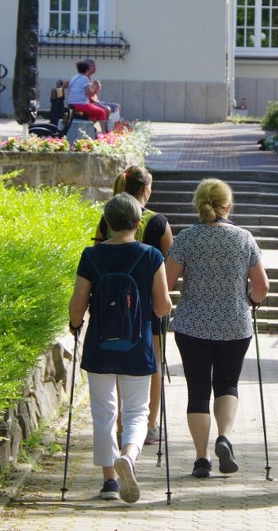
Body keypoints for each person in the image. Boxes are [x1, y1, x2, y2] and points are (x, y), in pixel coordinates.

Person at [68, 193, 172, 503]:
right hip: (137, 346)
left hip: (99, 346)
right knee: (137, 412)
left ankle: (110, 483)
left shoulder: (91, 255)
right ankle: (128, 455)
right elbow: (162, 305)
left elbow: (77, 306)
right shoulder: (151, 255)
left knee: (104, 413)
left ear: (107, 223)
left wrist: (75, 325)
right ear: (138, 223)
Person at [164, 178, 270, 478]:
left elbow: (166, 283)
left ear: (198, 203)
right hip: (234, 325)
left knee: (197, 390)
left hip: (192, 325)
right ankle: (224, 437)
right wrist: (248, 299)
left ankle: (201, 459)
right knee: (227, 385)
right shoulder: (244, 238)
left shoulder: (186, 239)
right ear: (228, 205)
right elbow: (262, 286)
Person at [94, 166, 173, 446]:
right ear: (146, 190)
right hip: (150, 307)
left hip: (112, 307)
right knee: (152, 365)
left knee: (115, 364)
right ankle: (149, 426)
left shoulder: (106, 221)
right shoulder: (158, 222)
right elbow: (170, 265)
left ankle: (119, 425)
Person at [66, 60, 109, 131]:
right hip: (80, 104)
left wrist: (93, 87)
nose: (95, 68)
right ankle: (104, 133)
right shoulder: (84, 79)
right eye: (93, 66)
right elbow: (90, 94)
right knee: (102, 112)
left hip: (71, 104)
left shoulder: (75, 76)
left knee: (95, 111)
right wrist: (95, 86)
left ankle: (90, 129)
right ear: (87, 68)